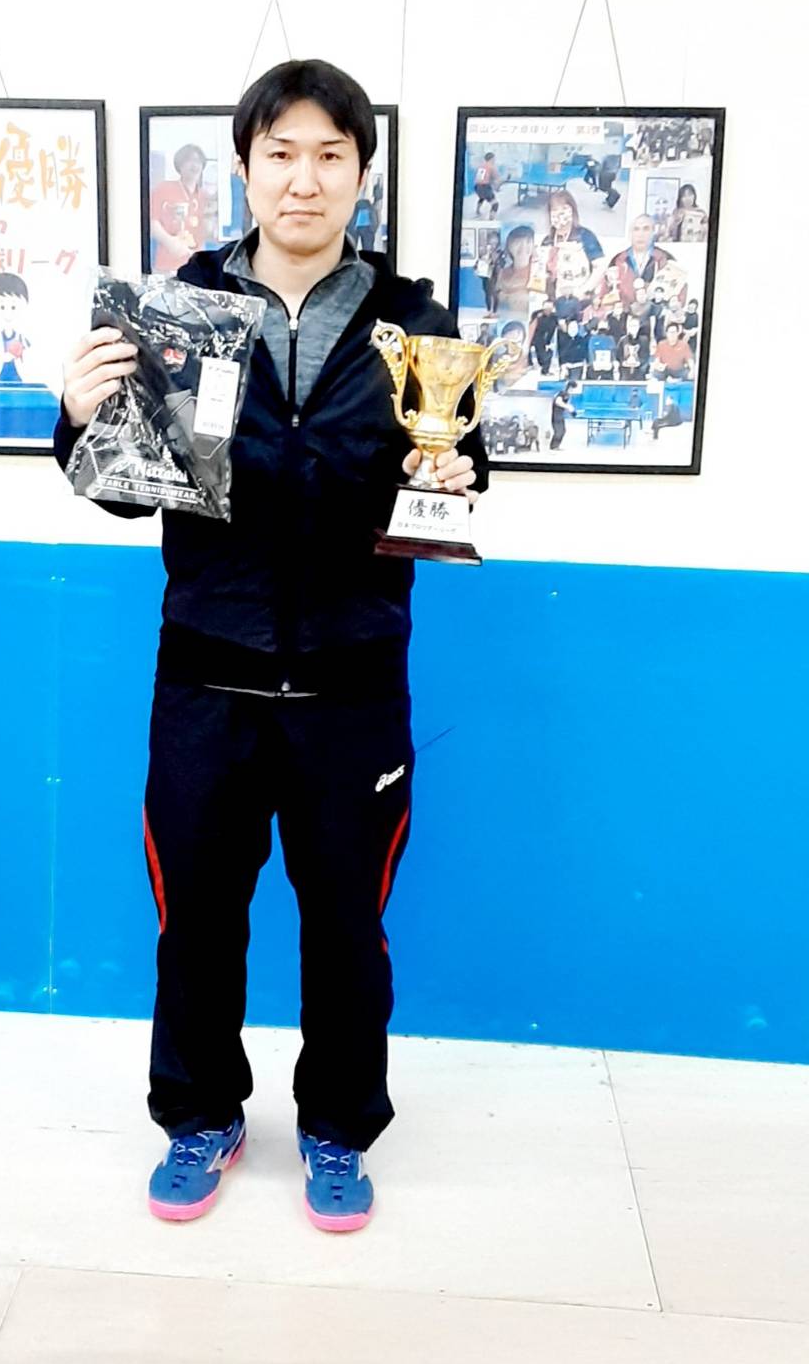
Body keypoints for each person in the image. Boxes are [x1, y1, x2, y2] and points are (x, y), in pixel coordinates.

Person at [54, 60, 487, 1234]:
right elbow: (120, 490)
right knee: (195, 921)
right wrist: (78, 414)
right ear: (244, 169)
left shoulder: (414, 320)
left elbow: (455, 467)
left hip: (352, 689)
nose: (304, 178)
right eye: (281, 153)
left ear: (359, 173)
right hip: (207, 680)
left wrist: (454, 473)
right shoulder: (177, 307)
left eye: (329, 155)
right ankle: (200, 1115)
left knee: (348, 929)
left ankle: (338, 1127)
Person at [541, 189, 606, 313]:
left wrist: (583, 290)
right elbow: (542, 274)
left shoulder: (585, 236)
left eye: (564, 209)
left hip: (583, 304)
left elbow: (600, 266)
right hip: (556, 305)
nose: (559, 214)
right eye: (555, 210)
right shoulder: (547, 241)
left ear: (572, 211)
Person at [149, 142, 211, 271]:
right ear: (180, 165)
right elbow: (151, 221)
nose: (194, 165)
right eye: (189, 160)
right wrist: (169, 242)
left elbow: (207, 231)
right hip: (168, 264)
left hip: (195, 266)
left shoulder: (205, 197)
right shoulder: (164, 189)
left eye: (198, 161)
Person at [607, 215, 675, 308]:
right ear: (630, 234)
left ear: (653, 232)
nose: (640, 234)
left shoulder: (665, 259)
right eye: (636, 229)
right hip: (623, 313)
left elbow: (677, 292)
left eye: (646, 229)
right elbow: (606, 292)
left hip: (654, 312)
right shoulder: (618, 260)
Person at [0, 272, 30, 382]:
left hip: (18, 377)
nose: (8, 313)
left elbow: (28, 357)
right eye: (2, 307)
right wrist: (2, 358)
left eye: (13, 307)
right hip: (0, 377)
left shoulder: (21, 338)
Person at [528, 298, 558, 373]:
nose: (548, 310)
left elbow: (555, 326)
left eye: (550, 308)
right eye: (546, 308)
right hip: (536, 336)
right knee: (537, 353)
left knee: (546, 354)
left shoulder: (554, 316)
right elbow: (531, 325)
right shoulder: (536, 314)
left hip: (547, 337)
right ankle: (531, 364)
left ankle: (545, 369)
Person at [617, 313, 650, 381]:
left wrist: (639, 362)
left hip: (639, 371)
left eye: (635, 326)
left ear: (638, 327)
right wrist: (623, 362)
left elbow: (646, 356)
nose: (633, 328)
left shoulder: (644, 340)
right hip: (625, 371)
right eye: (631, 326)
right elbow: (618, 355)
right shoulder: (623, 340)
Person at [550, 380, 578, 450]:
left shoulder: (566, 394)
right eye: (573, 388)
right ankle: (553, 446)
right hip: (556, 416)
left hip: (560, 415)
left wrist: (570, 409)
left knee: (563, 430)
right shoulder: (563, 393)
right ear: (570, 387)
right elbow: (557, 402)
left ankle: (555, 446)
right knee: (559, 431)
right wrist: (567, 407)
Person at [474, 151, 502, 217]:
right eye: (494, 159)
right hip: (485, 189)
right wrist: (498, 187)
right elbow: (497, 180)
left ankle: (477, 210)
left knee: (482, 197)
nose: (495, 160)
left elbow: (479, 180)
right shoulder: (492, 167)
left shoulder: (481, 166)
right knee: (495, 204)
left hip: (477, 188)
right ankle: (491, 219)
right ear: (491, 159)